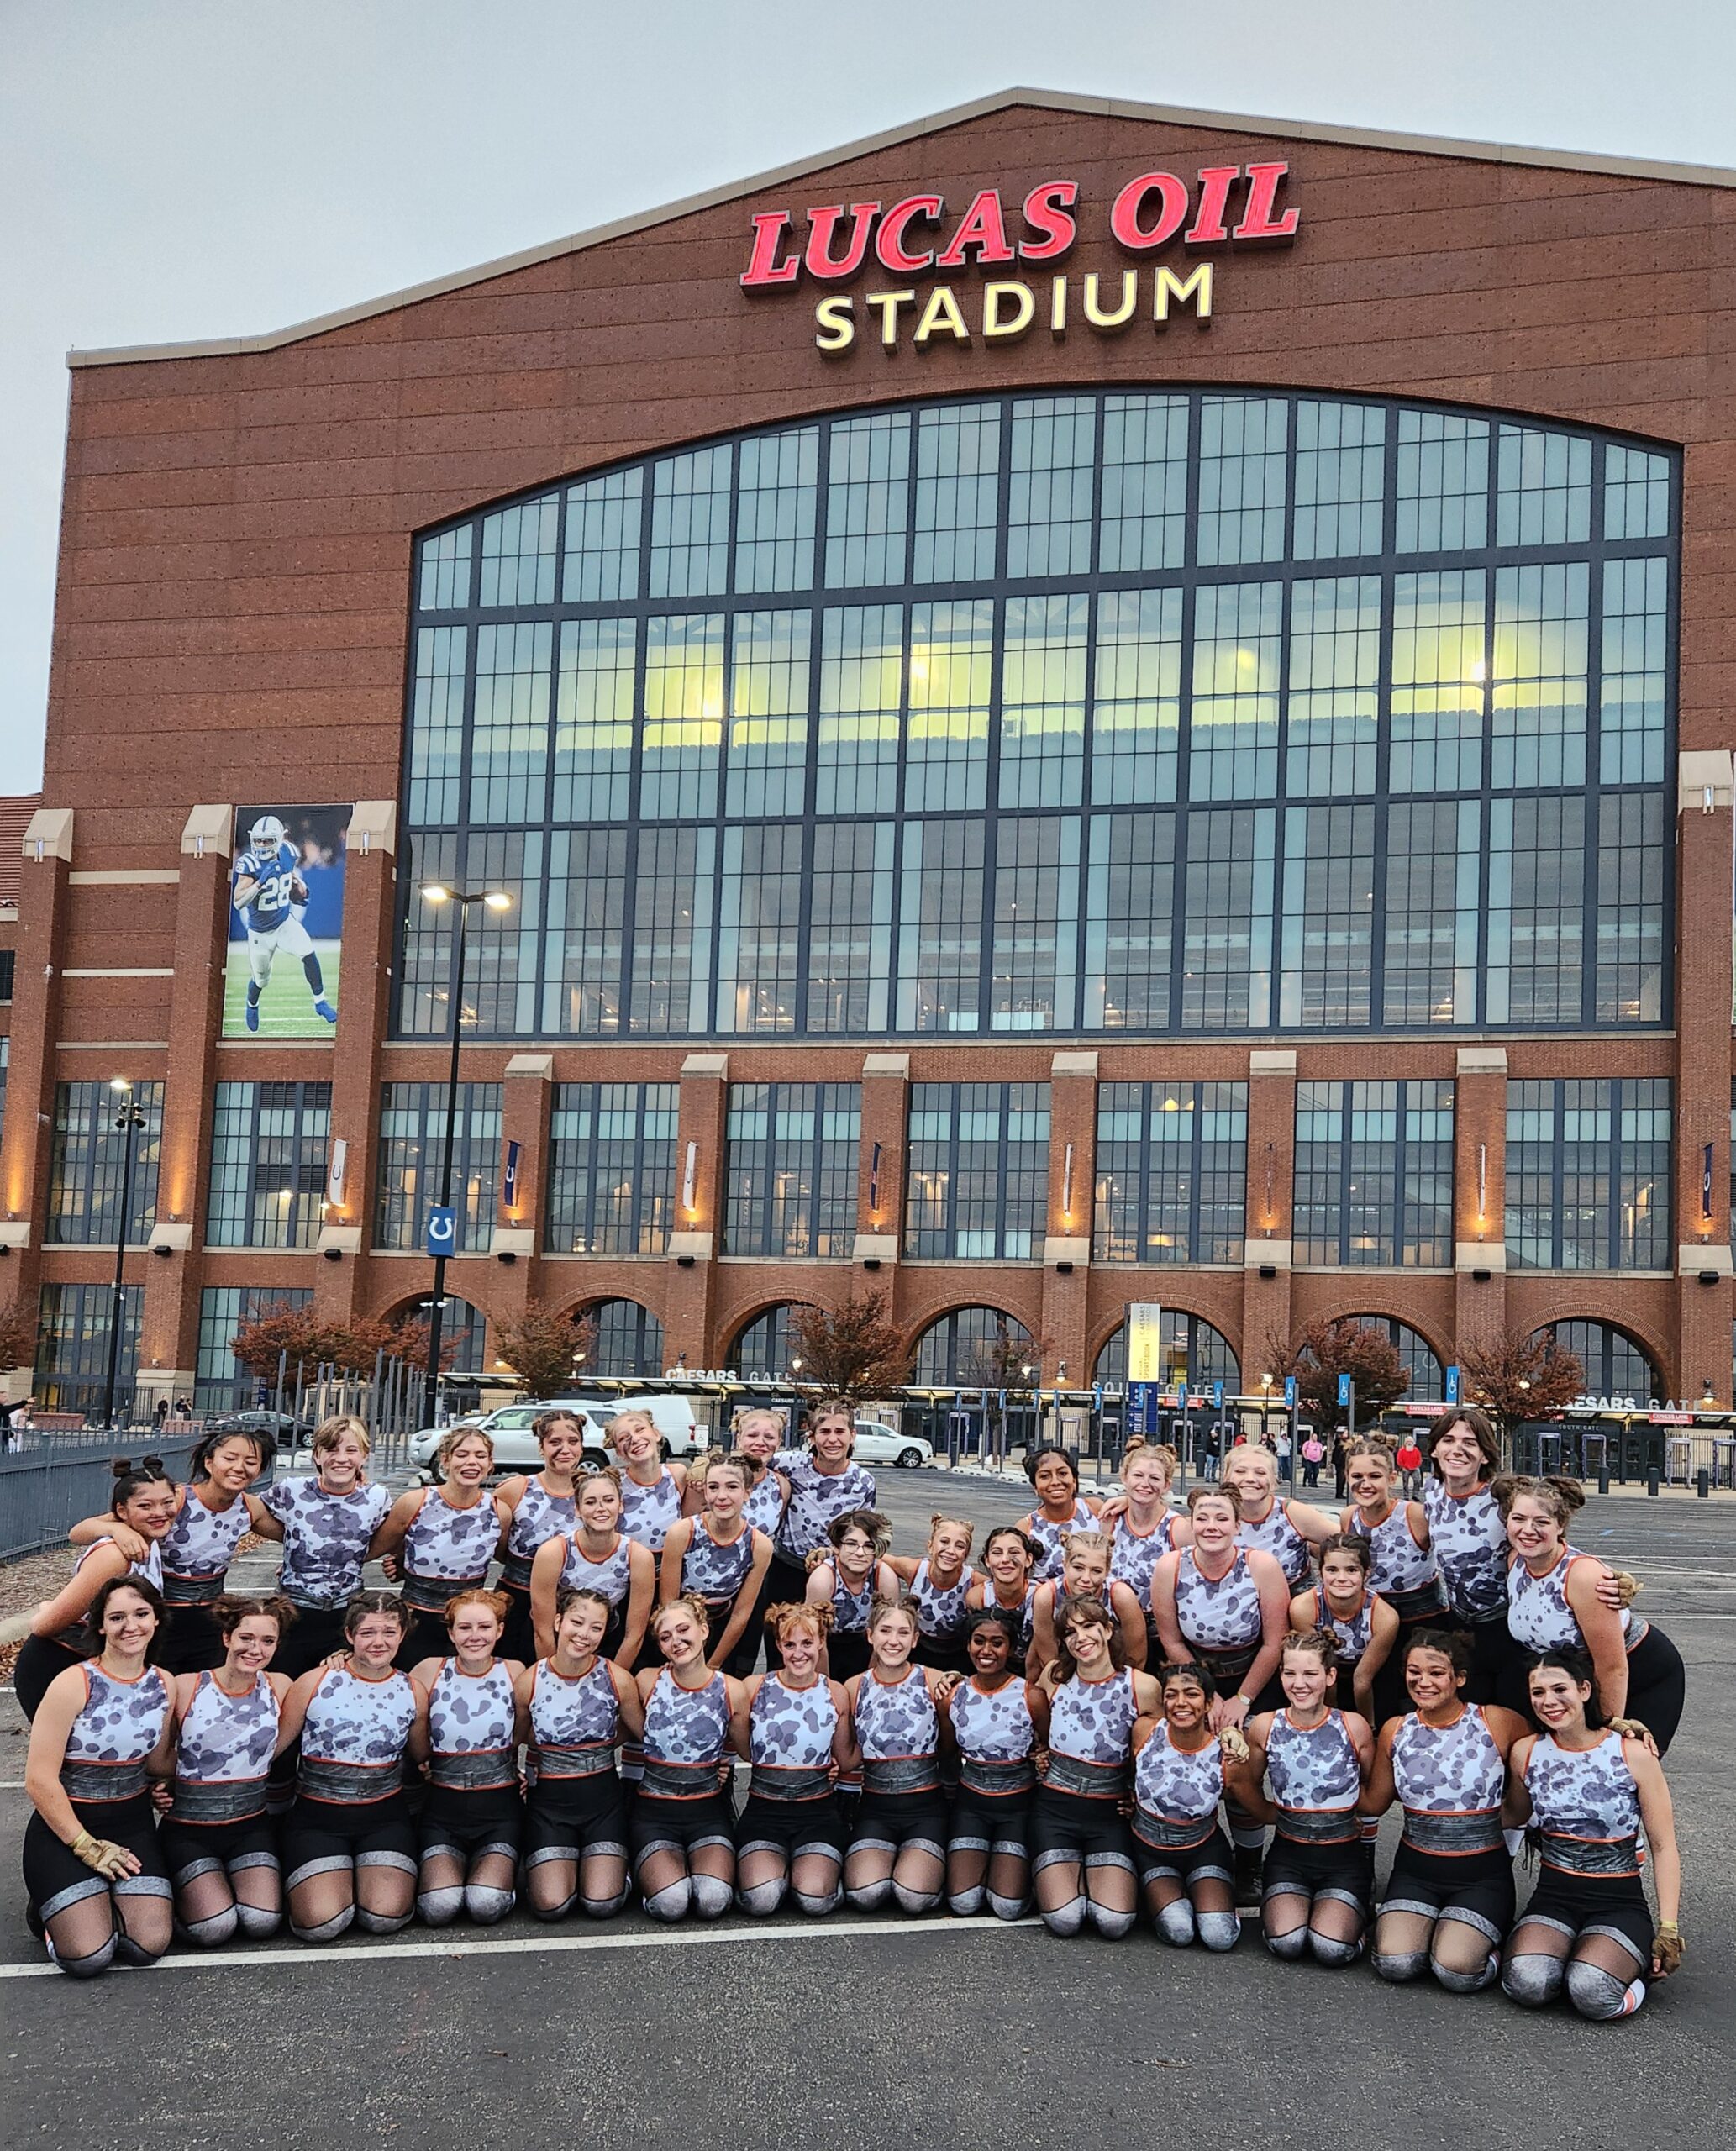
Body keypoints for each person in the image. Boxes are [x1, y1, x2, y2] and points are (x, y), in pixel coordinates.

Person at [1500, 1648, 1683, 2018]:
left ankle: (1638, 1976)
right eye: (1538, 1693)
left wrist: (1668, 1926)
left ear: (1584, 1690)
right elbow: (1514, 1815)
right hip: (1553, 1898)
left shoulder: (1632, 1753)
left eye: (1559, 1689)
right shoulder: (1526, 1753)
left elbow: (1664, 1847)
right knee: (1527, 1984)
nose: (1549, 1701)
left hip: (1618, 1903)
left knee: (1592, 1993)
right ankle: (1575, 1953)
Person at [22, 1575, 176, 1977]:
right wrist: (88, 1848)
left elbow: (157, 1763)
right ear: (101, 1625)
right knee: (88, 1957)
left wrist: (170, 1784)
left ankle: (90, 1901)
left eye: (141, 1614)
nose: (131, 1626)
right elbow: (39, 1779)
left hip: (131, 1826)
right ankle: (46, 1914)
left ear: (156, 1619)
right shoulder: (73, 1683)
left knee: (147, 1946)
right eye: (117, 1617)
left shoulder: (164, 1684)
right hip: (67, 1827)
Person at [1362, 1627, 1531, 1994]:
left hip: (1481, 1877)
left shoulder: (1496, 1722)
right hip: (1415, 1873)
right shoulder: (1395, 1730)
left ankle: (1497, 1944)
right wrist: (1325, 1771)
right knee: (1395, 1963)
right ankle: (1438, 1930)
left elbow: (1543, 1753)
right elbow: (1373, 1802)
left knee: (1455, 1970)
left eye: (1437, 1673)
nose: (1423, 1682)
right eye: (1414, 1672)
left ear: (1460, 1679)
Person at [1150, 1486, 1293, 1902]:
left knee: (1241, 1770)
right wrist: (1208, 1697)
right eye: (1203, 1519)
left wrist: (1241, 1701)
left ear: (1237, 1524)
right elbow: (1171, 1639)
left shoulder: (1261, 1565)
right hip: (1196, 1676)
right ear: (1190, 1523)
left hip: (1255, 1676)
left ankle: (1249, 1862)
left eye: (1221, 1519)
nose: (1211, 1527)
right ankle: (1194, 1851)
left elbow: (1274, 1642)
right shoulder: (1170, 1566)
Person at [276, 1591, 423, 1942]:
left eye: (389, 1632)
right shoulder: (314, 1683)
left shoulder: (413, 1689)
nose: (378, 1642)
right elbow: (271, 1750)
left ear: (402, 1635)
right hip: (318, 1820)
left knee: (383, 1916)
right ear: (349, 1636)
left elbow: (424, 1758)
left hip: (384, 1817)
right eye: (368, 1632)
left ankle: (372, 1877)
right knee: (321, 1922)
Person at [1497, 1475, 1685, 1750]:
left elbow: (1613, 1666)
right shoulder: (1515, 1560)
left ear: (1560, 1526)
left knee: (1622, 1765)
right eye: (1518, 1519)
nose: (1528, 1529)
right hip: (1573, 1678)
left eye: (1542, 1522)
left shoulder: (1583, 1577)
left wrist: (1608, 1726)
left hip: (1640, 1672)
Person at [69, 1428, 274, 1675]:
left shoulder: (250, 1508)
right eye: (230, 1458)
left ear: (260, 1470)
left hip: (210, 1620)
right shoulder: (175, 1499)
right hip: (162, 1618)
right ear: (209, 1462)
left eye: (251, 1462)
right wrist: (119, 1532)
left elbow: (297, 1538)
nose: (239, 1467)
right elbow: (79, 1531)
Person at [156, 1592, 296, 1945]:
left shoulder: (281, 1686)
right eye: (246, 1638)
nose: (255, 1649)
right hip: (189, 1829)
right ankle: (166, 1902)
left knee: (263, 1922)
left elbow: (273, 1750)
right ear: (226, 1638)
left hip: (249, 1827)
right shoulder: (187, 1686)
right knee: (214, 1928)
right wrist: (159, 1784)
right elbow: (158, 1758)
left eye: (268, 1641)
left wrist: (339, 1658)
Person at [1029, 1596, 1160, 1938]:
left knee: (1114, 1923)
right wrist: (1039, 1752)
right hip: (1056, 1809)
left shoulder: (1142, 1686)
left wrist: (1139, 1796)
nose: (1080, 1638)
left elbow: (1160, 1756)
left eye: (1089, 1626)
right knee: (1065, 1920)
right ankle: (1057, 1875)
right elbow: (1030, 1719)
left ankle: (1092, 1876)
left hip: (1108, 1814)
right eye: (1069, 1632)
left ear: (1108, 1629)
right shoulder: (1054, 1675)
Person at [1244, 1629, 1376, 1967]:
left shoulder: (1354, 1726)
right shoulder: (1264, 1725)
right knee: (1287, 1943)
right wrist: (1273, 1815)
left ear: (1330, 1676)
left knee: (1330, 1949)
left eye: (1310, 1673)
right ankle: (1293, 1910)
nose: (1299, 1683)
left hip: (1343, 1859)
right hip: (1289, 1856)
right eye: (1290, 1673)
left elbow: (1367, 1784)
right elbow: (1247, 1783)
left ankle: (1357, 1920)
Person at [516, 1586, 644, 1922]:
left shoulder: (618, 1679)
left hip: (602, 1804)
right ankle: (556, 1865)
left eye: (596, 1628)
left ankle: (617, 1871)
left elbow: (641, 1731)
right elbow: (516, 1737)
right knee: (551, 1906)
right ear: (558, 1621)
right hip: (550, 1806)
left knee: (602, 1903)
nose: (584, 1634)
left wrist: (600, 1747)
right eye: (577, 1622)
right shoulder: (531, 1681)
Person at [14, 1459, 178, 1718]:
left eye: (167, 1502)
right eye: (146, 1506)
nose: (159, 1512)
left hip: (108, 1667)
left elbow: (77, 1532)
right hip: (62, 1664)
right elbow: (44, 1626)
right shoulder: (115, 1556)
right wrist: (45, 1608)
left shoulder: (148, 1538)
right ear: (122, 1511)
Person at [406, 1588, 525, 1927]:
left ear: (500, 1631)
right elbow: (385, 1694)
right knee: (439, 1907)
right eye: (465, 1628)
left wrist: (520, 1768)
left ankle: (507, 1876)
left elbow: (529, 1729)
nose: (475, 1636)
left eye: (485, 1627)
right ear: (450, 1632)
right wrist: (339, 1657)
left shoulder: (515, 1672)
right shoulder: (430, 1670)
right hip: (443, 1810)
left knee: (485, 1905)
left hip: (499, 1809)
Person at [732, 1601, 853, 1917]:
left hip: (817, 1814)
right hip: (764, 1813)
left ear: (821, 1643)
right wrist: (720, 1765)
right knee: (762, 1900)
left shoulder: (836, 1692)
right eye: (790, 1644)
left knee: (815, 1900)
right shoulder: (754, 1687)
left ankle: (819, 1877)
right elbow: (742, 1748)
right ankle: (775, 1872)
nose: (799, 1653)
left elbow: (845, 1757)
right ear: (778, 1647)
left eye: (808, 1643)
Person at [249, 1416, 392, 1679]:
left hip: (346, 1612)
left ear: (364, 1456)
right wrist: (296, 1542)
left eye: (351, 1451)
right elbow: (248, 1513)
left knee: (336, 1688)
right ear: (316, 1455)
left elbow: (395, 1534)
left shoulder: (377, 1497)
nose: (341, 1459)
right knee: (285, 1686)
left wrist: (400, 1562)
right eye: (331, 1450)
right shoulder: (291, 1491)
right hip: (294, 1610)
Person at [630, 1595, 744, 1921]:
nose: (676, 1641)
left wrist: (725, 1764)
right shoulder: (646, 1681)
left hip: (707, 1813)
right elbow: (638, 1737)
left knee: (713, 1901)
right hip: (655, 1814)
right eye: (666, 1637)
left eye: (684, 1630)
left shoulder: (732, 1689)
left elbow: (745, 1745)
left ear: (704, 1631)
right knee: (671, 1904)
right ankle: (644, 1875)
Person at [843, 1598, 954, 1917]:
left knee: (912, 1898)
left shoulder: (934, 1681)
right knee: (866, 1895)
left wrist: (956, 1676)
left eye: (904, 1632)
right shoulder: (854, 1687)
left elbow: (951, 1743)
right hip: (876, 1809)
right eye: (885, 1631)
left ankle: (928, 1866)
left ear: (916, 1639)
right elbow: (847, 1753)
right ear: (870, 1636)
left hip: (925, 1810)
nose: (894, 1641)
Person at [1129, 1661, 1247, 1952]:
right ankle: (1155, 1895)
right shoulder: (1145, 1730)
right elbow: (1124, 1773)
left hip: (1203, 1849)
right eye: (1171, 1695)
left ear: (1208, 1703)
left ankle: (1210, 1892)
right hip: (1150, 1851)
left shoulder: (1226, 1751)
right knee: (1179, 1931)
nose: (1180, 1703)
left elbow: (1254, 1805)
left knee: (1220, 1937)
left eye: (1191, 1694)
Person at [371, 1427, 510, 1669]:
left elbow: (507, 1558)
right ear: (445, 1460)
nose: (471, 1462)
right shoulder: (415, 1502)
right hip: (416, 1623)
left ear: (490, 1464)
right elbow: (374, 1549)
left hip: (469, 1625)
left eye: (480, 1456)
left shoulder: (500, 1512)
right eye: (462, 1454)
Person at [946, 1607, 1048, 1921]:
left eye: (997, 1643)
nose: (986, 1651)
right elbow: (946, 1755)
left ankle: (1018, 1870)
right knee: (963, 1903)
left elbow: (1047, 1748)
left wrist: (1041, 1760)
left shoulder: (1031, 1696)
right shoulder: (953, 1696)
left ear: (1011, 1648)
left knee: (1007, 1907)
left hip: (1017, 1809)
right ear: (968, 1645)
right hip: (971, 1806)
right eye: (979, 1641)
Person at [1339, 1438, 1447, 1722]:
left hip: (1422, 1621)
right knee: (1381, 1699)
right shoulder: (1349, 1517)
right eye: (1357, 1476)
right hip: (1375, 1627)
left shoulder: (1413, 1514)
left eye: (1375, 1476)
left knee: (1422, 1700)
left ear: (1392, 1477)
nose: (1366, 1484)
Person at [765, 1399, 878, 1657]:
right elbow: (752, 1464)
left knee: (823, 1645)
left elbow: (864, 1534)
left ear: (852, 1435)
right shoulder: (789, 1464)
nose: (832, 1439)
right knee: (782, 1645)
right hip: (787, 1569)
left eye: (840, 1431)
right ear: (812, 1437)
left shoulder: (863, 1482)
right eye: (824, 1432)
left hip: (837, 1574)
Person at [659, 1449, 776, 1675]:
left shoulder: (759, 1545)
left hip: (723, 1627)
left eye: (732, 1487)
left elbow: (741, 1614)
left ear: (747, 1492)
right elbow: (668, 1603)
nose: (722, 1496)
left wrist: (712, 1665)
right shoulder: (682, 1533)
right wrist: (678, 1651)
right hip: (679, 1623)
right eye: (713, 1487)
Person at [528, 1465, 655, 1666]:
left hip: (609, 1638)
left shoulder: (638, 1556)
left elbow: (635, 1636)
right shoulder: (553, 1553)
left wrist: (612, 1680)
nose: (601, 1508)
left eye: (608, 1500)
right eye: (590, 1502)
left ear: (620, 1505)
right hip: (561, 1638)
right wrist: (554, 1676)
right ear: (577, 1510)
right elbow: (542, 1631)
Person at [231, 810, 336, 1030]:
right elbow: (238, 902)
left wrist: (299, 891)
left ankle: (320, 1002)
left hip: (283, 922)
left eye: (267, 840)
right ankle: (252, 1004)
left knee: (308, 952)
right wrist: (259, 883)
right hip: (260, 932)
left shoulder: (289, 852)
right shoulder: (249, 863)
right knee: (261, 980)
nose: (262, 844)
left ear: (279, 839)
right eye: (258, 840)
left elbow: (292, 879)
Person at [494, 1408, 585, 1663]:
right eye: (555, 1442)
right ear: (541, 1447)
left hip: (571, 1604)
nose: (564, 1449)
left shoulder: (592, 1491)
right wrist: (401, 1559)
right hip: (517, 1601)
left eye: (572, 1441)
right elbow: (486, 1541)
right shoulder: (516, 1489)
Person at [1288, 1534, 1398, 1720]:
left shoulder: (1385, 1617)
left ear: (1366, 1573)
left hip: (1368, 1677)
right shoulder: (1302, 1608)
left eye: (1351, 1570)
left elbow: (1362, 1681)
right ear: (1320, 1571)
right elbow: (1320, 1670)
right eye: (1332, 1570)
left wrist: (1368, 1727)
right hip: (1322, 1676)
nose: (1341, 1578)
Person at [1026, 1530, 1149, 1678]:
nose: (1086, 1578)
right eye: (1078, 1568)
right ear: (1065, 1565)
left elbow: (1137, 1657)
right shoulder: (1047, 1597)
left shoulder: (1121, 1596)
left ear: (1107, 1571)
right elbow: (1049, 1659)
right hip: (1067, 1667)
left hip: (1115, 1666)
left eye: (1096, 1571)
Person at [1221, 1441, 1335, 1591]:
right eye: (1240, 1471)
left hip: (1293, 1606)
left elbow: (1348, 1542)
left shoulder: (1292, 1513)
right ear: (1226, 1477)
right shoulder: (1213, 1514)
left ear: (1274, 1480)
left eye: (1260, 1473)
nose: (1250, 1478)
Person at [805, 1508, 898, 1681]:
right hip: (827, 1645)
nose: (860, 1553)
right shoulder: (823, 1578)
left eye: (869, 1546)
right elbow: (815, 1638)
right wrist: (825, 1688)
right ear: (836, 1547)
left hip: (866, 1644)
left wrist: (870, 1684)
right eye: (851, 1544)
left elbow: (887, 1635)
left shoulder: (884, 1576)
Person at [886, 1512, 978, 1674]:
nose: (951, 1551)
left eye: (960, 1546)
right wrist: (833, 1552)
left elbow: (1000, 1587)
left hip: (957, 1654)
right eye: (944, 1542)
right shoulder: (915, 1569)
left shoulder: (973, 1580)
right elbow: (879, 1556)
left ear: (966, 1554)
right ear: (930, 1546)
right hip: (919, 1649)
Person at [608, 1408, 689, 1555]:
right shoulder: (613, 1483)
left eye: (640, 1429)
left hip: (671, 1565)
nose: (634, 1439)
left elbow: (690, 1524)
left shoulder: (677, 1474)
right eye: (623, 1438)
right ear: (619, 1452)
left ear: (656, 1434)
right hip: (629, 1567)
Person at [1018, 1445, 1102, 1582]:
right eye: (1045, 1476)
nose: (1055, 1482)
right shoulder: (1026, 1528)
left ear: (1074, 1480)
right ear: (1035, 1487)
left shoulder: (1095, 1509)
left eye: (1062, 1473)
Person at [965, 1525, 1040, 1657]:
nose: (1005, 1559)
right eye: (997, 1553)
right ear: (987, 1560)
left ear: (1028, 1559)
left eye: (1014, 1552)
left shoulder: (1040, 1596)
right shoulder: (978, 1597)